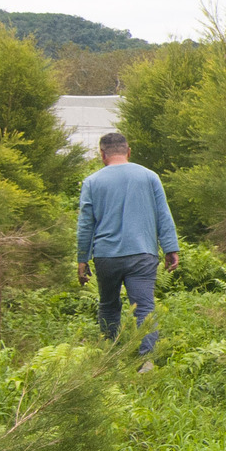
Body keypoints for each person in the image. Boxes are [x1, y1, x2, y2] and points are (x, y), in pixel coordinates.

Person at [76, 131, 179, 371]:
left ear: (102, 154)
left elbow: (85, 224)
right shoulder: (149, 176)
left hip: (106, 256)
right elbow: (163, 213)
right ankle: (147, 361)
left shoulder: (92, 182)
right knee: (144, 306)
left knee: (108, 305)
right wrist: (170, 247)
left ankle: (109, 357)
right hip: (142, 253)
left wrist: (82, 259)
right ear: (128, 151)